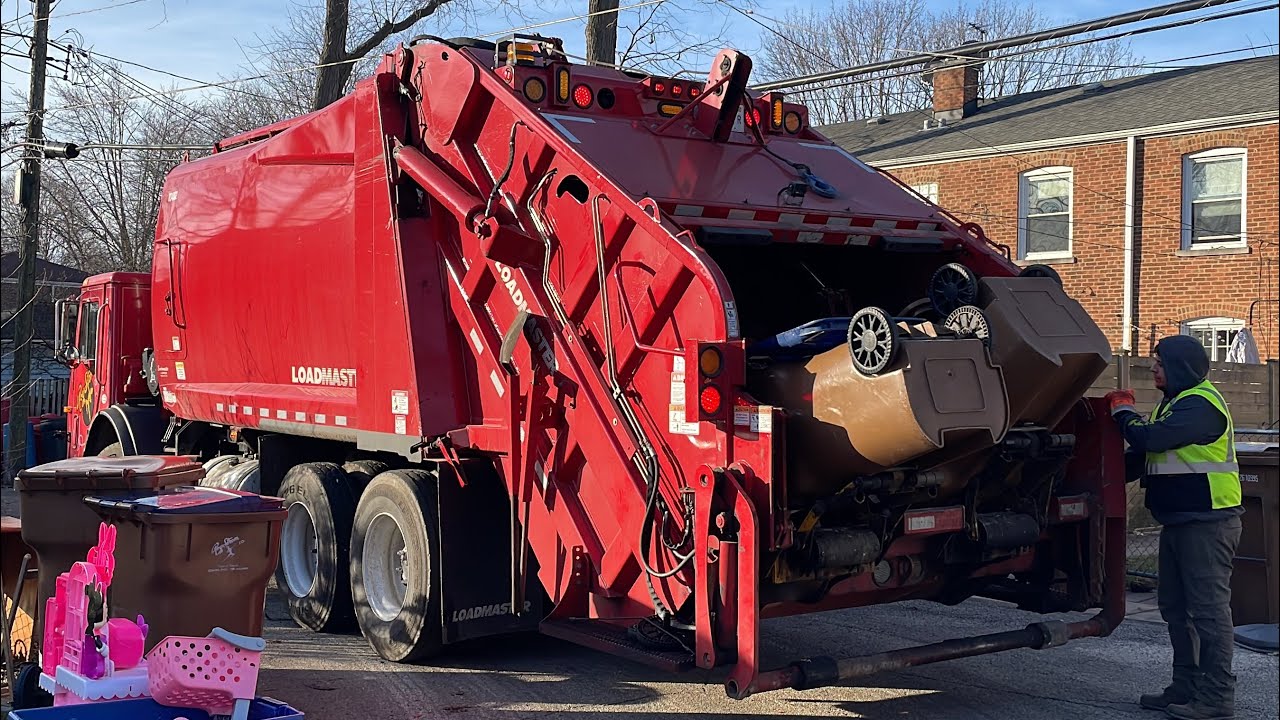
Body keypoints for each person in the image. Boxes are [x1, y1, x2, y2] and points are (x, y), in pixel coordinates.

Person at [1106, 336, 1243, 720]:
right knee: (1176, 608)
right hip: (1181, 522)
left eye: (1160, 363)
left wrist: (1123, 412)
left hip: (1208, 524)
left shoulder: (1201, 405)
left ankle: (1216, 698)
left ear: (1180, 367)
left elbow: (1151, 438)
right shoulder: (1175, 405)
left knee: (1208, 612)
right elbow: (1146, 455)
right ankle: (1185, 687)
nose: (1154, 369)